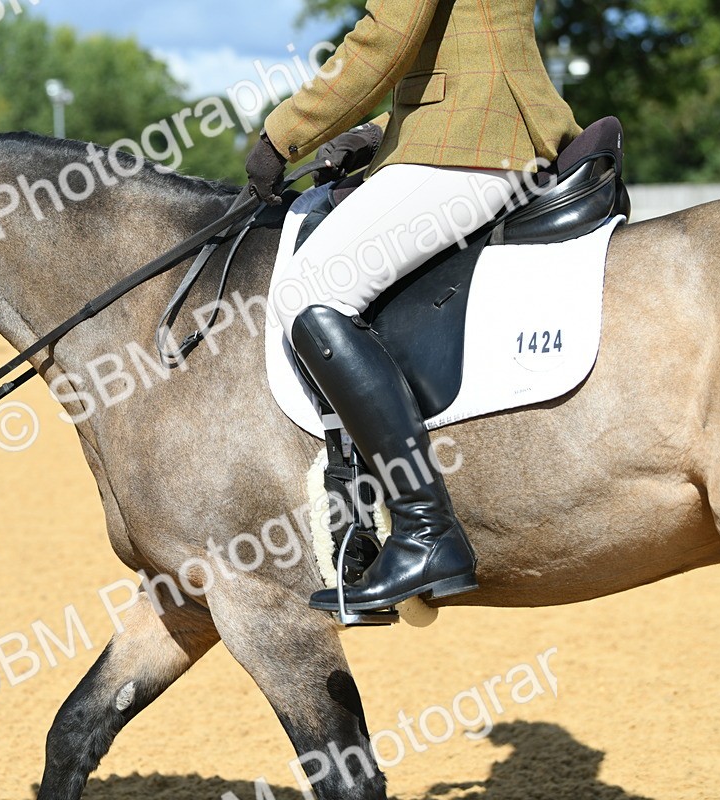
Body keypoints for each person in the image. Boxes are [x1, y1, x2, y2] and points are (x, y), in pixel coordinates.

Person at [246, 0, 582, 613]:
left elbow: (390, 34)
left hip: (476, 136)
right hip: (472, 120)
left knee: (311, 290)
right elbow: (459, 42)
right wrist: (379, 132)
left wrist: (285, 133)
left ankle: (425, 530)